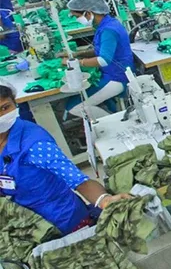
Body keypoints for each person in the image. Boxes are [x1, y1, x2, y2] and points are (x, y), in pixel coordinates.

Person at [0, 82, 129, 235]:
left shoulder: (35, 144)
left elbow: (77, 180)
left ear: (15, 103)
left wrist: (104, 200)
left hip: (60, 223)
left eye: (5, 108)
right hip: (23, 223)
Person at [63, 0, 132, 119]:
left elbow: (104, 60)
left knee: (75, 107)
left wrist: (75, 63)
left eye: (77, 16)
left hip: (117, 77)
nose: (77, 20)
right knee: (75, 101)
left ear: (88, 13)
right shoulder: (105, 25)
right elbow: (100, 50)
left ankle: (115, 124)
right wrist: (77, 54)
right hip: (109, 73)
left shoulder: (109, 30)